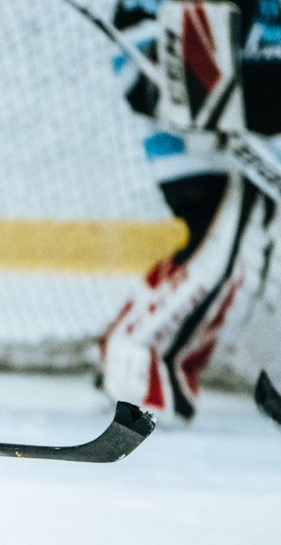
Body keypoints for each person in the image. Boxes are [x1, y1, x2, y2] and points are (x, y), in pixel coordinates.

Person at [96, 0, 281, 423]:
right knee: (232, 242)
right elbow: (137, 25)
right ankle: (137, 359)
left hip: (264, 128)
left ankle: (147, 355)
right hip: (191, 133)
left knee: (250, 251)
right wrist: (167, 84)